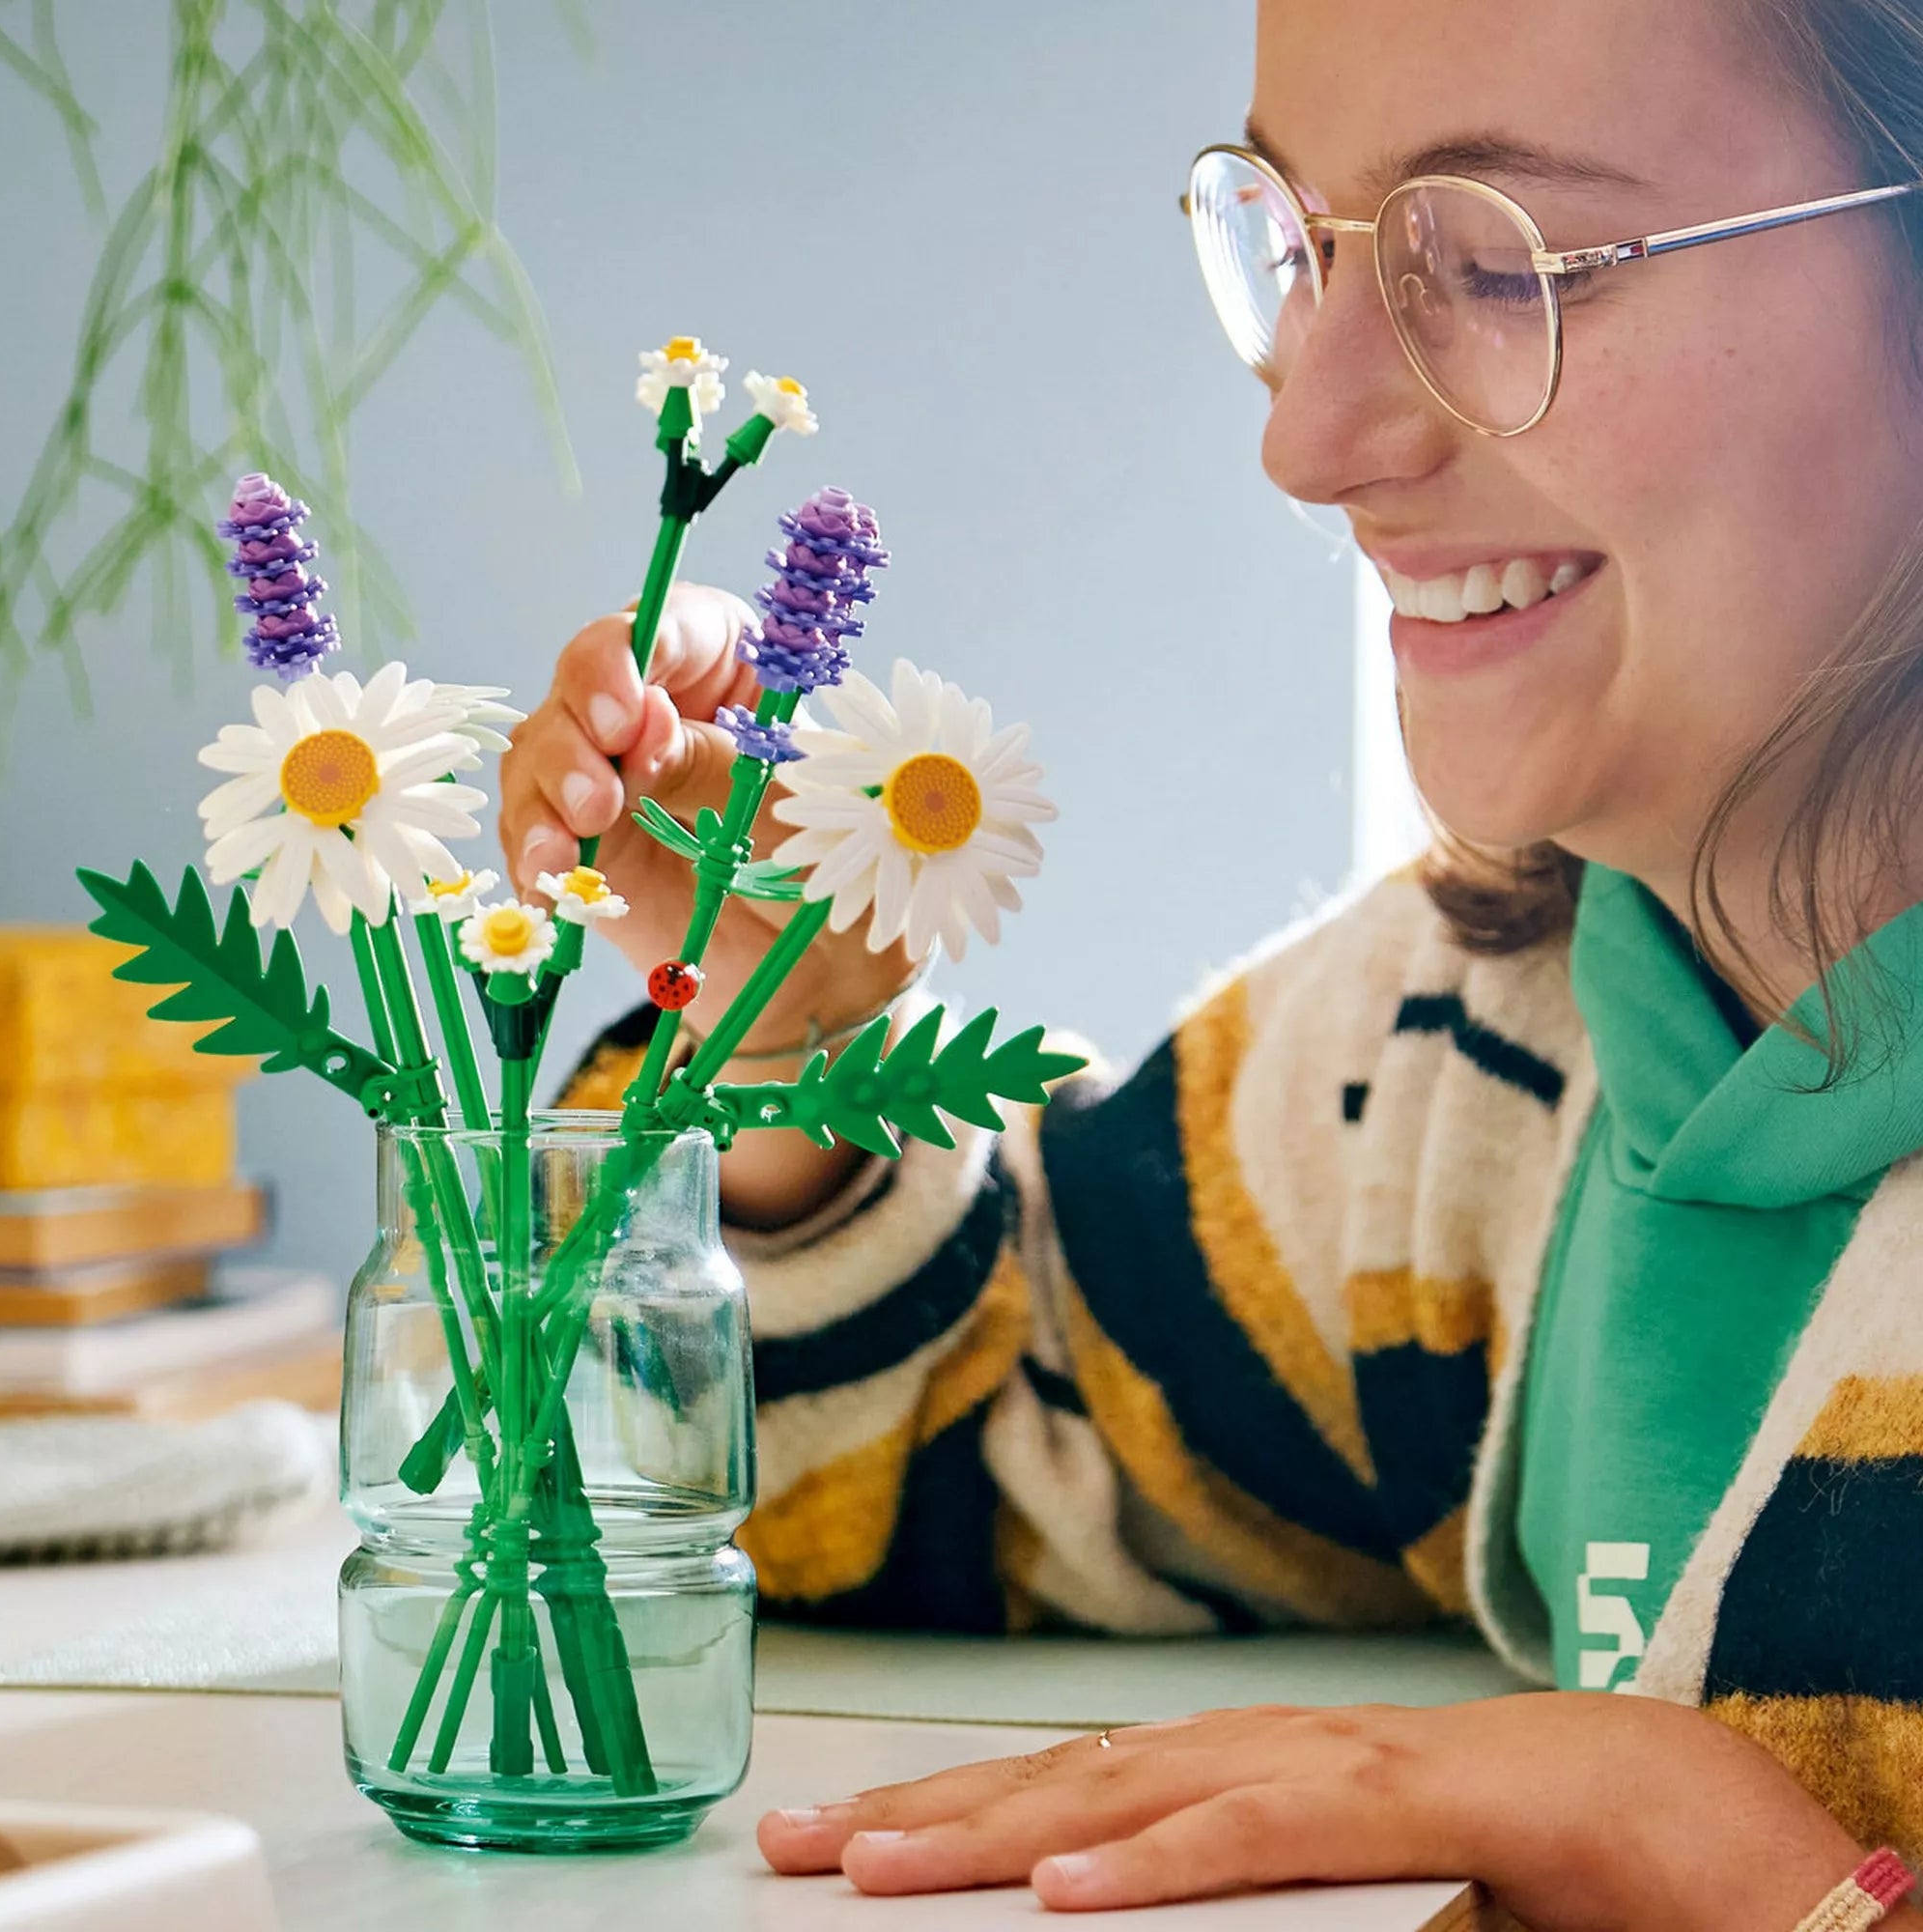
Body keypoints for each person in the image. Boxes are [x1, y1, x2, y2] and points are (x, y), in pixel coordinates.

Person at [497, 0, 1923, 1919]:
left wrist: (1698, 1845)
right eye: (1300, 245)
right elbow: (969, 1450)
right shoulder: (1478, 1053)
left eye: (1504, 262)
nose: (1305, 441)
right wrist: (789, 1056)